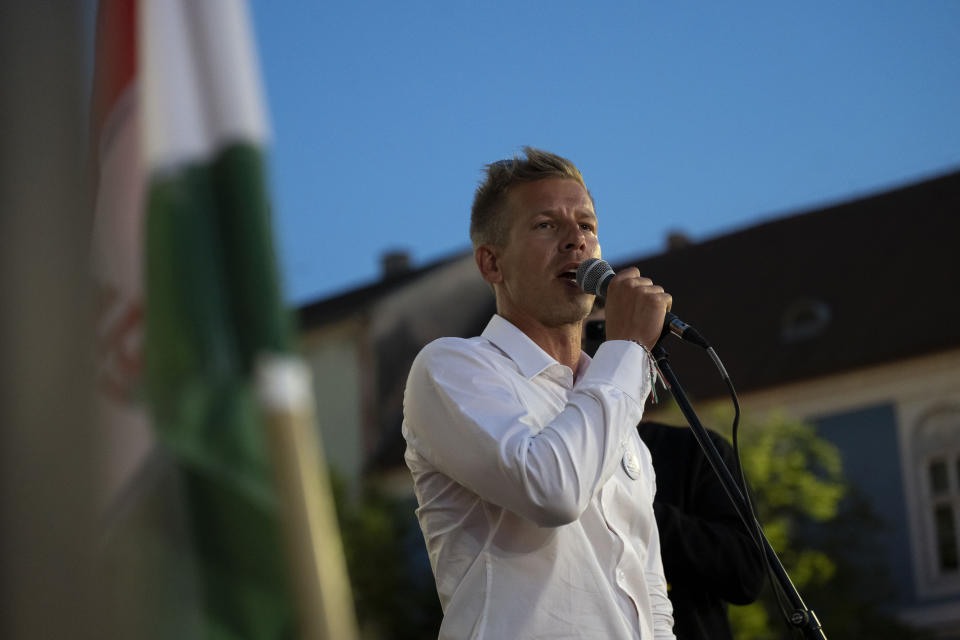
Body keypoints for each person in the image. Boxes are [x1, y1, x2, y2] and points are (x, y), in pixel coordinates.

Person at [402, 147, 676, 639]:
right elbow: (551, 492)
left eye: (587, 225)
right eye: (547, 225)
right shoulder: (452, 368)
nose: (576, 241)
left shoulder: (614, 405)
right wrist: (628, 348)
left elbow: (649, 589)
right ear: (492, 264)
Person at [583, 313, 766, 640]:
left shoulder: (694, 450)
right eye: (593, 335)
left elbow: (746, 573)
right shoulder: (553, 455)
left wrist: (632, 509)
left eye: (620, 338)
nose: (602, 351)